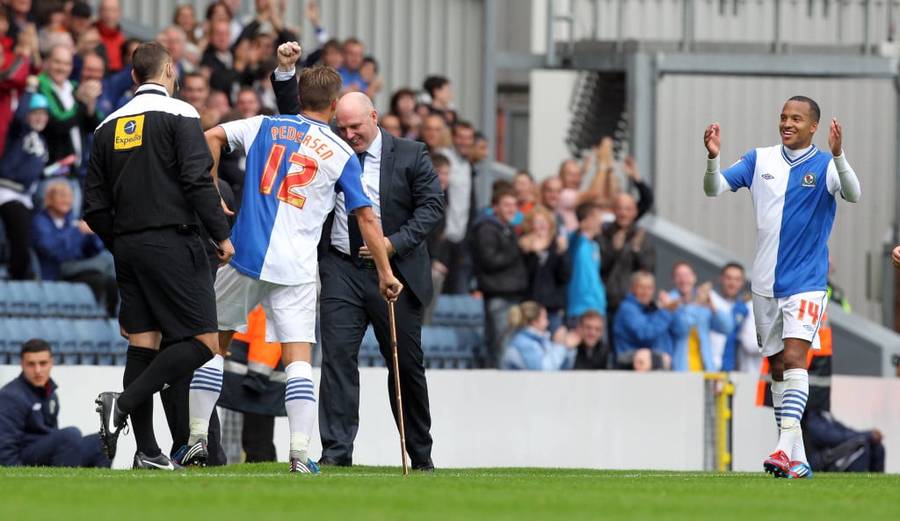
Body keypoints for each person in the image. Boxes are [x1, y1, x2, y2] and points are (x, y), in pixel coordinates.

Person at [268, 42, 440, 470]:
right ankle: (337, 454)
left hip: (394, 272)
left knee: (406, 368)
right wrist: (287, 73)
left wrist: (391, 243)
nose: (348, 136)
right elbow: (297, 119)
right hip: (341, 267)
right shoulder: (328, 145)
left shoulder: (412, 154)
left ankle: (420, 455)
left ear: (374, 118)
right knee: (339, 360)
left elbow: (432, 208)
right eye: (341, 127)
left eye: (355, 128)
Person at [84, 41, 234, 471]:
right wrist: (221, 236)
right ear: (169, 69)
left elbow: (94, 207)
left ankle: (148, 452)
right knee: (204, 341)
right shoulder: (181, 113)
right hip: (173, 241)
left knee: (143, 343)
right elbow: (196, 179)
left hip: (127, 247)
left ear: (133, 77)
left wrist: (126, 241)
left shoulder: (105, 127)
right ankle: (122, 402)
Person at [703, 95, 861, 478]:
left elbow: (854, 193)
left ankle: (780, 447)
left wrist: (839, 155)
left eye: (796, 118)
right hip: (764, 284)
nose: (787, 123)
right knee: (776, 368)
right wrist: (712, 158)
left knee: (795, 359)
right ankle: (798, 458)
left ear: (813, 127)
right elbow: (713, 188)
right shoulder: (760, 160)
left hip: (806, 284)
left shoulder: (825, 165)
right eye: (783, 117)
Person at [0, 339, 110, 468]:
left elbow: (52, 435)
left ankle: (94, 488)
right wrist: (16, 478)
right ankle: (61, 484)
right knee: (71, 434)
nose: (38, 370)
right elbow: (5, 447)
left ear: (51, 363)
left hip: (46, 454)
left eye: (43, 363)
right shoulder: (11, 395)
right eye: (31, 364)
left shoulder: (50, 393)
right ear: (22, 365)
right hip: (25, 459)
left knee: (103, 441)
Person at [32, 181, 117, 317]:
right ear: (50, 198)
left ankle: (109, 315)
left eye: (69, 196)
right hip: (56, 270)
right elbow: (53, 251)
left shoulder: (73, 221)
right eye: (62, 196)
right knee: (108, 261)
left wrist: (92, 234)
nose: (66, 200)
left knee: (105, 279)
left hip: (77, 270)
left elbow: (92, 251)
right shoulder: (40, 221)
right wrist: (76, 231)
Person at [472, 185, 528, 368]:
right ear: (495, 207)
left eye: (514, 205)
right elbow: (490, 261)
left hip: (512, 295)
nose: (512, 209)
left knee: (509, 346)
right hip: (499, 296)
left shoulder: (508, 229)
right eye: (506, 205)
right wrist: (519, 248)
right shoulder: (486, 229)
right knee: (501, 347)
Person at [0, 92, 49, 280]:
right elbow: (19, 115)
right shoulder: (19, 131)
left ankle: (30, 273)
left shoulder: (42, 141)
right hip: (7, 191)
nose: (39, 117)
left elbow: (36, 171)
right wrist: (29, 90)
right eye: (35, 112)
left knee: (31, 234)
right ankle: (18, 274)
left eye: (43, 113)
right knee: (19, 234)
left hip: (26, 196)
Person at [665, 262, 734, 372]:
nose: (683, 280)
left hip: (706, 369)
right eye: (679, 276)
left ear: (694, 277)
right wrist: (695, 304)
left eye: (687, 275)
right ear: (673, 280)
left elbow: (727, 328)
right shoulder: (669, 302)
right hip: (680, 369)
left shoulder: (703, 300)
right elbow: (681, 328)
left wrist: (712, 306)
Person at [598, 192, 655, 323]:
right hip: (608, 302)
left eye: (628, 209)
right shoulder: (603, 234)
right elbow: (599, 268)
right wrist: (614, 251)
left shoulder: (642, 238)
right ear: (613, 210)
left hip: (635, 303)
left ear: (635, 212)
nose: (623, 213)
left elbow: (649, 270)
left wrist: (636, 251)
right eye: (620, 208)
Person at [519, 205, 571, 332]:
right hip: (530, 306)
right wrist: (533, 254)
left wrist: (562, 253)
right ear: (530, 225)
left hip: (552, 306)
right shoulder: (523, 246)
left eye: (545, 222)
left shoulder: (557, 244)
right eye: (538, 222)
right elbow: (523, 276)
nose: (542, 226)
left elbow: (565, 275)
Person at [613, 271, 675, 371]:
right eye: (641, 287)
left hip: (654, 366)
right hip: (631, 367)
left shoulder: (651, 309)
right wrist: (666, 311)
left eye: (649, 288)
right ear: (632, 288)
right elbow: (645, 333)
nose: (646, 292)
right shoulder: (627, 309)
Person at [502, 301, 576, 370]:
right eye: (545, 318)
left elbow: (562, 368)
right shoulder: (523, 342)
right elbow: (543, 372)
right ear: (534, 321)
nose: (548, 322)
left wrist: (568, 348)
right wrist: (559, 344)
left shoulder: (541, 340)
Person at [709, 263, 755, 372]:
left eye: (737, 279)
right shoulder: (710, 300)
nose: (732, 283)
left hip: (732, 370)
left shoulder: (743, 307)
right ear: (721, 279)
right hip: (708, 367)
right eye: (728, 278)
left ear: (743, 282)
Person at [567, 202, 606, 323]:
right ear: (587, 220)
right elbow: (571, 240)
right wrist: (580, 229)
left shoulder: (594, 245)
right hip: (581, 308)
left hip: (597, 307)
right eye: (597, 217)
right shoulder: (578, 243)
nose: (601, 221)